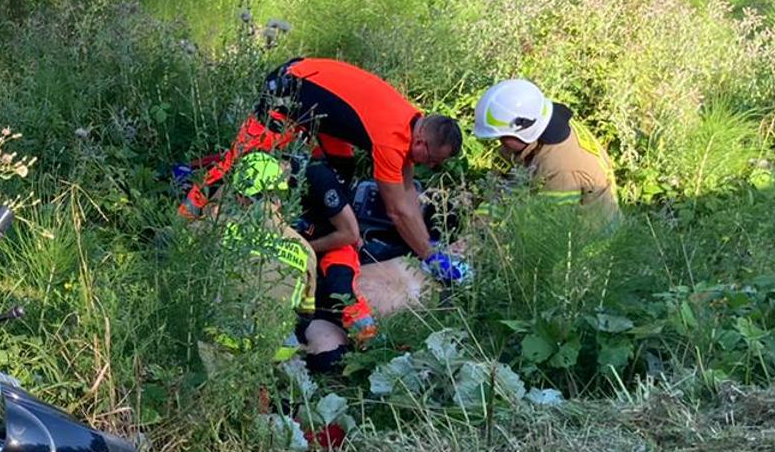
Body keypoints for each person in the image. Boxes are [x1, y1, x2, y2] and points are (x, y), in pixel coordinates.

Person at [184, 57, 470, 286]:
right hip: (290, 88)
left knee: (338, 178)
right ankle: (184, 215)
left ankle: (314, 241)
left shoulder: (411, 126)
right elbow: (397, 210)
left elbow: (408, 195)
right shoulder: (391, 140)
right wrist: (429, 257)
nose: (432, 167)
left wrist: (429, 245)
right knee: (241, 164)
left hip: (320, 103)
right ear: (421, 142)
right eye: (434, 160)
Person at [473, 79, 619, 219]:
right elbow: (499, 191)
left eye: (504, 136)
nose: (501, 143)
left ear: (524, 130)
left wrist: (487, 240)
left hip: (587, 239)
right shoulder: (535, 128)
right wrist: (476, 232)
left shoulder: (562, 168)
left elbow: (545, 227)